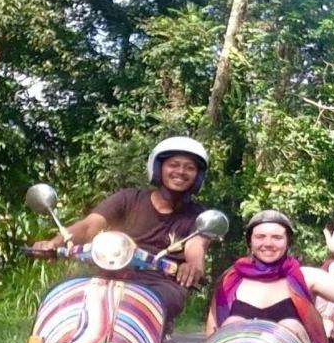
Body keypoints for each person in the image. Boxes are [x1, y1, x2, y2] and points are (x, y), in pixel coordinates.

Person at [31, 136, 211, 327]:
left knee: (148, 305)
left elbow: (196, 247)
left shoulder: (197, 216)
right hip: (110, 274)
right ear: (158, 167)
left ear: (198, 176)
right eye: (174, 165)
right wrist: (54, 243)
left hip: (161, 283)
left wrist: (192, 267)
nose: (181, 171)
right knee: (61, 296)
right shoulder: (129, 199)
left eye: (190, 167)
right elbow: (89, 225)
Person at [205, 210, 334, 343]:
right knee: (233, 323)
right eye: (260, 237)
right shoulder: (230, 280)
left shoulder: (305, 277)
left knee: (290, 326)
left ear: (288, 242)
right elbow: (212, 339)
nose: (268, 243)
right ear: (250, 241)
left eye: (277, 237)